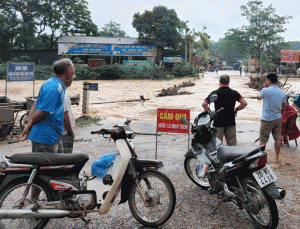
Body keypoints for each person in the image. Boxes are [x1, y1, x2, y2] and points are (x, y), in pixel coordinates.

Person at [20, 58, 75, 154]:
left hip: (55, 137)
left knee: (60, 165)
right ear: (68, 70)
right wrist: (28, 126)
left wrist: (28, 124)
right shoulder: (54, 88)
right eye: (73, 68)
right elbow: (40, 112)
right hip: (46, 139)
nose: (74, 72)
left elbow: (35, 104)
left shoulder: (53, 83)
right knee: (46, 168)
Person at [202, 74, 248, 146]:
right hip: (230, 122)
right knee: (232, 145)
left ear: (219, 81)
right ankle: (232, 157)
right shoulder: (234, 93)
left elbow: (204, 104)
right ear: (229, 82)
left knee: (217, 145)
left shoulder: (215, 93)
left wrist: (210, 113)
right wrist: (236, 109)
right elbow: (244, 103)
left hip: (218, 122)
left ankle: (218, 157)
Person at [256, 73, 287, 163]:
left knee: (263, 140)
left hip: (266, 119)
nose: (266, 81)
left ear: (269, 80)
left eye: (266, 80)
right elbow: (284, 106)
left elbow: (258, 97)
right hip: (277, 118)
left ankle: (260, 158)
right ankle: (276, 157)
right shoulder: (282, 92)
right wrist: (279, 114)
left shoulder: (265, 90)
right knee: (277, 138)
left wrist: (264, 86)